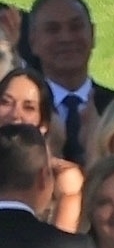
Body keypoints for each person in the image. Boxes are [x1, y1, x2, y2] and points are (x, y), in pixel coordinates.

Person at [28, 0, 114, 165]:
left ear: (92, 34)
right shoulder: (22, 110)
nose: (66, 37)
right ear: (33, 42)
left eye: (76, 27)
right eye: (52, 29)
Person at [0, 66, 83, 232]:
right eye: (6, 102)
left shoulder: (63, 179)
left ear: (44, 124)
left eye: (28, 107)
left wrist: (68, 198)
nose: (15, 114)